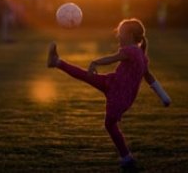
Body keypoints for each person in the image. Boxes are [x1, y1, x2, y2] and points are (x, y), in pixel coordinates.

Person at [47, 18, 171, 168]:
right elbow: (149, 77)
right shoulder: (141, 56)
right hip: (113, 84)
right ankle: (56, 62)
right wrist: (164, 97)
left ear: (131, 35)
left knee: (109, 124)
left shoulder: (131, 51)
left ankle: (126, 157)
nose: (118, 36)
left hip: (118, 96)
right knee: (85, 76)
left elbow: (112, 59)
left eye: (121, 33)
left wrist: (95, 62)